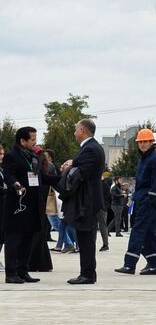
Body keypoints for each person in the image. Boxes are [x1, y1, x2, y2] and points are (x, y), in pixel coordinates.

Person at [57, 119, 108, 285]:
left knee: (86, 238)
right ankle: (86, 273)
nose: (74, 133)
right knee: (85, 237)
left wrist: (68, 168)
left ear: (83, 131)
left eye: (76, 130)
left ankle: (87, 274)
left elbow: (82, 173)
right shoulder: (92, 147)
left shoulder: (90, 149)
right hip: (88, 200)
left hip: (86, 201)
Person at [116, 129, 156, 276]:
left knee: (138, 231)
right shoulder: (145, 158)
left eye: (145, 141)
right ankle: (155, 265)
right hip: (143, 200)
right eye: (140, 142)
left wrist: (150, 200)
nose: (142, 144)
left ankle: (129, 264)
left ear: (152, 142)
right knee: (147, 233)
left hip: (148, 201)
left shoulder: (155, 159)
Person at [4, 127, 55, 284]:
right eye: (32, 139)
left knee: (28, 238)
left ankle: (23, 270)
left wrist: (62, 179)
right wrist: (16, 184)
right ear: (22, 141)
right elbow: (8, 175)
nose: (35, 142)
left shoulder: (33, 157)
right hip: (17, 205)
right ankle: (11, 273)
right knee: (14, 239)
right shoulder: (12, 156)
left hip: (32, 204)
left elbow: (40, 178)